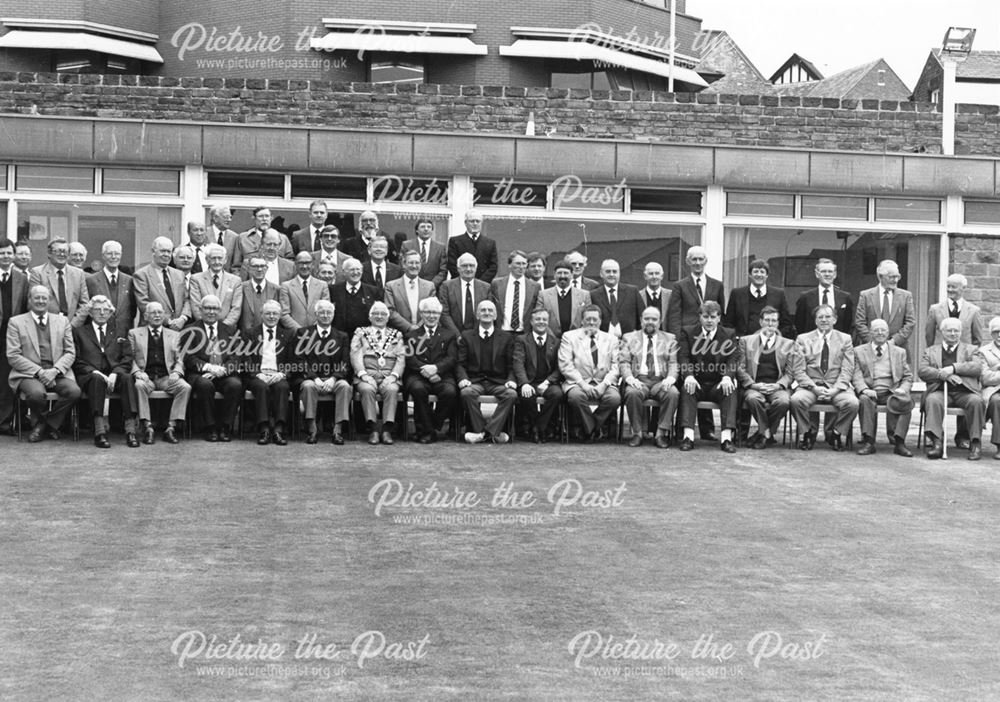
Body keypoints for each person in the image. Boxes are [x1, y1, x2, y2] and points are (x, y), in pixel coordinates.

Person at [6, 285, 81, 442]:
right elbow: (13, 355)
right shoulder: (16, 322)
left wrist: (54, 371)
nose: (41, 301)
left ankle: (45, 425)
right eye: (37, 298)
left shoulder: (62, 321)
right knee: (36, 394)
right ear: (30, 300)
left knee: (74, 391)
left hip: (57, 373)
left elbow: (70, 352)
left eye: (44, 298)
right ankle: (46, 426)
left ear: (49, 301)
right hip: (28, 374)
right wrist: (40, 372)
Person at [667, 246, 725, 440]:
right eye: (694, 260)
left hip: (710, 339)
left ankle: (707, 429)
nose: (698, 263)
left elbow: (721, 315)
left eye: (701, 259)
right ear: (688, 262)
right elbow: (674, 315)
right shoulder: (680, 286)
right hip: (688, 339)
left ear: (706, 261)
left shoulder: (717, 285)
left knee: (707, 378)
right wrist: (678, 340)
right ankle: (682, 430)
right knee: (688, 382)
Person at [73, 295, 139, 449]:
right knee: (97, 380)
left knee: (128, 378)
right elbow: (76, 360)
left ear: (111, 313)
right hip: (91, 376)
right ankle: (100, 431)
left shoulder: (120, 331)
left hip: (115, 374)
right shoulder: (79, 332)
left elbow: (127, 357)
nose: (102, 313)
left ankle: (130, 431)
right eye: (97, 310)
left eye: (106, 310)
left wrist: (115, 372)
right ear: (90, 312)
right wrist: (95, 372)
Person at [790, 304, 858, 451]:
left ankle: (836, 433)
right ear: (815, 321)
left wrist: (836, 389)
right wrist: (814, 388)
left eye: (828, 317)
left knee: (852, 403)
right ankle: (807, 433)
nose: (824, 320)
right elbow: (798, 370)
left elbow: (847, 369)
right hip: (811, 385)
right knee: (796, 400)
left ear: (834, 319)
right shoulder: (803, 339)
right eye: (820, 317)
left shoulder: (845, 339)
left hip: (836, 386)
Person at [918, 317, 986, 460]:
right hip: (940, 390)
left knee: (976, 401)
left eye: (957, 330)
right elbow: (923, 371)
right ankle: (937, 442)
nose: (953, 333)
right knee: (932, 400)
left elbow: (977, 368)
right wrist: (943, 375)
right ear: (942, 332)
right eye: (949, 330)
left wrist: (953, 368)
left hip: (965, 392)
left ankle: (975, 443)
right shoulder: (931, 351)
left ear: (961, 332)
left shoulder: (972, 349)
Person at [677, 300, 739, 453]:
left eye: (713, 317)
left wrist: (727, 377)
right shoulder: (688, 332)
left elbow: (733, 359)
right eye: (706, 316)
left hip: (717, 384)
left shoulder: (728, 334)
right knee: (687, 387)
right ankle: (688, 437)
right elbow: (683, 357)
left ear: (719, 318)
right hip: (697, 382)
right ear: (700, 317)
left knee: (730, 388)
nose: (709, 321)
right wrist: (689, 376)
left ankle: (726, 438)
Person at [737, 306, 801, 450]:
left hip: (776, 386)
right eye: (767, 320)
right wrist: (753, 385)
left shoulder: (788, 343)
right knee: (753, 399)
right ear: (761, 322)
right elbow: (740, 368)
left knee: (784, 401)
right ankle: (766, 433)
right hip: (755, 386)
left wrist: (778, 385)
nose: (770, 324)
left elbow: (790, 372)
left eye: (773, 321)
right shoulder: (745, 341)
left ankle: (762, 433)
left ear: (778, 324)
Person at [181, 295, 242, 443]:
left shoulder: (229, 330)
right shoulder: (190, 329)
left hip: (224, 373)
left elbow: (237, 356)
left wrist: (224, 369)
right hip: (201, 374)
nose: (211, 312)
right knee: (205, 385)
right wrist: (209, 367)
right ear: (200, 310)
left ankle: (226, 427)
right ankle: (210, 427)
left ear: (220, 311)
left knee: (235, 385)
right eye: (207, 308)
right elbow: (188, 358)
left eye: (214, 308)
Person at [129, 301, 191, 445]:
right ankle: (148, 427)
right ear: (145, 316)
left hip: (166, 377)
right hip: (146, 376)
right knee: (139, 386)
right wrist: (137, 372)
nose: (157, 315)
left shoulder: (174, 335)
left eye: (159, 312)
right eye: (153, 313)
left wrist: (177, 372)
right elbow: (129, 358)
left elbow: (180, 359)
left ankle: (171, 428)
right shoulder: (134, 334)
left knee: (184, 387)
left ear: (164, 315)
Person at [558, 304, 621, 443]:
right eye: (588, 319)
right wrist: (582, 384)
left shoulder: (612, 339)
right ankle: (594, 429)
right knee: (575, 397)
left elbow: (616, 366)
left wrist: (604, 385)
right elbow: (566, 365)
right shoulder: (569, 337)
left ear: (600, 321)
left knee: (614, 399)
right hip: (577, 382)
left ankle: (588, 429)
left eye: (595, 319)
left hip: (603, 382)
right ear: (582, 321)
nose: (591, 322)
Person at [457, 300, 517, 443]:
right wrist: (463, 379)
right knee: (466, 392)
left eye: (490, 310)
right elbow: (460, 363)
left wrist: (511, 380)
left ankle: (485, 433)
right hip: (475, 381)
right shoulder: (466, 336)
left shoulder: (506, 338)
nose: (486, 313)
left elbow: (512, 364)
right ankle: (489, 433)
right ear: (477, 315)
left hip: (498, 382)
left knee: (511, 394)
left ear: (495, 316)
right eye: (483, 310)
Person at [852, 318, 914, 457]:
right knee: (864, 400)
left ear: (888, 332)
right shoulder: (859, 351)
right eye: (876, 330)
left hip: (891, 391)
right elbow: (856, 374)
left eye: (883, 330)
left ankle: (899, 442)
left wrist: (903, 389)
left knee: (905, 401)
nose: (880, 333)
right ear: (870, 332)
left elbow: (908, 376)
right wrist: (864, 389)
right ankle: (869, 441)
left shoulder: (899, 352)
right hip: (870, 390)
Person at [293, 299, 352, 445]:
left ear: (333, 315)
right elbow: (299, 361)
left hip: (334, 379)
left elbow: (345, 362)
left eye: (329, 312)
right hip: (311, 379)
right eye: (322, 312)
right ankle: (312, 429)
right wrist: (314, 378)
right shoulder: (303, 333)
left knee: (345, 386)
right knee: (308, 387)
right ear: (316, 314)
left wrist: (333, 379)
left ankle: (337, 430)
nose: (325, 315)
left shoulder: (342, 336)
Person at [619, 306, 679, 449]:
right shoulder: (629, 338)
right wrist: (629, 379)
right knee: (632, 393)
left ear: (660, 321)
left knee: (673, 393)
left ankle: (660, 434)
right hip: (639, 380)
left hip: (660, 380)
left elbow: (673, 363)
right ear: (641, 320)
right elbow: (624, 362)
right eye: (647, 319)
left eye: (654, 319)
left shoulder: (670, 338)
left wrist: (670, 378)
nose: (650, 322)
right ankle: (637, 433)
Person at [403, 297, 459, 444]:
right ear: (421, 314)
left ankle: (431, 426)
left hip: (442, 375)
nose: (431, 316)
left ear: (440, 315)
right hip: (418, 375)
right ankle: (428, 432)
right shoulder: (411, 335)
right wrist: (425, 369)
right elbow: (409, 358)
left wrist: (436, 369)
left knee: (450, 392)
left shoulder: (449, 334)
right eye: (427, 312)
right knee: (417, 389)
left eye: (435, 312)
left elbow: (452, 358)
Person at [351, 301, 405, 445]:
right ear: (370, 317)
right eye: (375, 314)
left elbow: (401, 359)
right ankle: (374, 429)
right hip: (367, 374)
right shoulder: (361, 332)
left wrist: (393, 376)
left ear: (388, 318)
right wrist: (363, 375)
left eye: (383, 314)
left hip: (389, 375)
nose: (379, 317)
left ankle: (387, 429)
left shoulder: (396, 335)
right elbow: (355, 355)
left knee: (392, 389)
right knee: (367, 389)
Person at [244, 299, 293, 446]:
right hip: (256, 375)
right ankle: (264, 429)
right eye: (268, 313)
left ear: (279, 315)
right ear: (261, 314)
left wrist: (282, 374)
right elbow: (245, 358)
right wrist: (257, 374)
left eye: (275, 314)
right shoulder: (250, 333)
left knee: (282, 387)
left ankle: (278, 430)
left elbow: (293, 359)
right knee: (261, 387)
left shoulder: (288, 334)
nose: (271, 316)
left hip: (278, 374)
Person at [513, 308, 564, 443]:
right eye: (538, 319)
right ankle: (541, 428)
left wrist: (547, 382)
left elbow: (559, 368)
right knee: (527, 395)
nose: (541, 322)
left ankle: (537, 428)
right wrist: (524, 383)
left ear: (548, 322)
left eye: (544, 319)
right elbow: (518, 363)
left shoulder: (556, 342)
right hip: (529, 381)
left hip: (548, 383)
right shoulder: (522, 340)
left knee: (557, 394)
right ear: (531, 321)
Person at [0, 240, 29, 434]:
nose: (5, 256)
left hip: (10, 339)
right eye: (1, 253)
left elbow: (25, 309)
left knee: (5, 381)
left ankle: (4, 422)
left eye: (9, 253)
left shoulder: (22, 279)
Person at [29, 237, 91, 327]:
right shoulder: (38, 273)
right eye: (58, 251)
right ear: (49, 253)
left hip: (72, 328)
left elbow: (85, 304)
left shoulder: (78, 274)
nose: (62, 254)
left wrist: (72, 325)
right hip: (46, 327)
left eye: (65, 251)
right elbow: (34, 302)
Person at [725, 259, 795, 338]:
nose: (759, 275)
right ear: (750, 274)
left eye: (762, 272)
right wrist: (735, 338)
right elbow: (728, 322)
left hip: (770, 344)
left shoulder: (779, 294)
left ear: (767, 275)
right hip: (742, 342)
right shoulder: (737, 294)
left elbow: (786, 323)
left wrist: (775, 338)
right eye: (755, 271)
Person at [855, 259, 916, 348]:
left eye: (897, 277)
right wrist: (874, 342)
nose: (895, 280)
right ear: (880, 276)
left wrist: (894, 341)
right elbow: (859, 322)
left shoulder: (906, 296)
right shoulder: (866, 295)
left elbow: (910, 322)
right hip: (870, 349)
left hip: (898, 348)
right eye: (891, 277)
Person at [133, 237, 191, 331]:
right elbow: (144, 304)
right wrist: (168, 321)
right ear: (153, 251)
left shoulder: (179, 274)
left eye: (169, 251)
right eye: (163, 251)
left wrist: (183, 318)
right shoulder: (142, 275)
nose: (166, 255)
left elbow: (187, 299)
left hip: (179, 330)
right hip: (153, 331)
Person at [85, 241, 136, 339]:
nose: (113, 257)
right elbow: (88, 310)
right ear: (103, 256)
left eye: (117, 253)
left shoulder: (129, 280)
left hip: (124, 335)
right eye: (109, 253)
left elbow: (132, 310)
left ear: (121, 255)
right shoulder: (91, 280)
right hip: (99, 336)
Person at [794, 258, 855, 336]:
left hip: (837, 344)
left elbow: (848, 324)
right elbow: (799, 324)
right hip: (812, 344)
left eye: (830, 271)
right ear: (817, 274)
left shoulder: (845, 298)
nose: (827, 274)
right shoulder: (805, 297)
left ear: (835, 274)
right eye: (823, 271)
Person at [189, 244, 242, 328]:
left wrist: (222, 328)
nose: (217, 262)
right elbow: (196, 307)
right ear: (207, 260)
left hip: (227, 329)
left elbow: (236, 308)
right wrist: (207, 326)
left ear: (225, 260)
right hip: (204, 329)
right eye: (213, 258)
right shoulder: (196, 279)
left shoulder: (235, 281)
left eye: (220, 258)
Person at [926, 273, 985, 348]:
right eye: (948, 286)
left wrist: (970, 354)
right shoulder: (935, 309)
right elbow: (929, 337)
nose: (950, 290)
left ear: (963, 288)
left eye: (953, 287)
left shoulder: (974, 311)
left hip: (964, 356)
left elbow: (977, 339)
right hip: (941, 356)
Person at [385, 249, 436, 334]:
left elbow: (431, 310)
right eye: (411, 263)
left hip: (423, 334)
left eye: (417, 263)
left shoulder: (429, 286)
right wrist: (409, 327)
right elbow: (390, 311)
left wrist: (419, 328)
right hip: (399, 334)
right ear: (404, 264)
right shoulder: (391, 286)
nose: (414, 266)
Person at [491, 250, 541, 335]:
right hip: (502, 332)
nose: (521, 267)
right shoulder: (497, 284)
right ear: (509, 265)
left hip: (524, 334)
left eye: (524, 264)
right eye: (518, 263)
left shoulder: (535, 287)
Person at [536, 259, 591, 337]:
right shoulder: (543, 295)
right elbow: (539, 318)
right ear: (554, 275)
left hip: (576, 340)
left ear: (572, 275)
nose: (562, 276)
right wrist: (552, 339)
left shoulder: (584, 295)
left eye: (566, 273)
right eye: (559, 273)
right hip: (551, 341)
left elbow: (587, 318)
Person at [439, 253, 491, 334]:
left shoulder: (486, 288)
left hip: (477, 338)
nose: (468, 269)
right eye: (464, 266)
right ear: (458, 268)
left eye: (471, 265)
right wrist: (457, 335)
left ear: (476, 268)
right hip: (453, 336)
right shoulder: (447, 286)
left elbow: (487, 314)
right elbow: (444, 313)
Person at [330, 257, 383, 338]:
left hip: (366, 338)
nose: (355, 273)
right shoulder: (334, 290)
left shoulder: (373, 291)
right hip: (341, 337)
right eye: (352, 270)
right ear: (344, 272)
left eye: (358, 269)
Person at [589, 259, 641, 339]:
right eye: (608, 271)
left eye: (614, 271)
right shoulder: (593, 295)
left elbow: (641, 317)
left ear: (619, 274)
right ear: (601, 274)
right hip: (603, 342)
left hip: (629, 341)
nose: (611, 274)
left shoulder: (632, 291)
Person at [279, 251, 330, 331]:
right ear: (295, 265)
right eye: (301, 263)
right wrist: (300, 331)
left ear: (313, 265)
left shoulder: (322, 285)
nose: (304, 266)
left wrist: (314, 329)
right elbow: (284, 314)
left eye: (308, 263)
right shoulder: (286, 286)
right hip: (295, 334)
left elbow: (325, 310)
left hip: (316, 334)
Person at [447, 209, 499, 282]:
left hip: (483, 285)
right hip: (460, 284)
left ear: (481, 223)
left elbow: (493, 267)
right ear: (465, 223)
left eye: (477, 221)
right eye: (472, 221)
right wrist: (465, 281)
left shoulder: (490, 243)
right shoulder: (455, 241)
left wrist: (479, 283)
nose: (475, 224)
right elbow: (452, 265)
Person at [238, 256, 282, 339]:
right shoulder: (240, 288)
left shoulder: (276, 289)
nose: (259, 269)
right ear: (248, 269)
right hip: (245, 339)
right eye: (255, 266)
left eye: (262, 266)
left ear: (267, 268)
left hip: (269, 338)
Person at [399, 218, 448, 290]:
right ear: (416, 230)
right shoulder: (407, 245)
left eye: (429, 227)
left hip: (433, 289)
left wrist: (431, 285)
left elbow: (443, 271)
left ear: (432, 230)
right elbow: (402, 267)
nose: (426, 229)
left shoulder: (440, 247)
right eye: (422, 227)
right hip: (411, 287)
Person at [978, 316, 1000, 460]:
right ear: (991, 333)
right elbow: (985, 377)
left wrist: (996, 370)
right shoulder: (984, 352)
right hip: (993, 390)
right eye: (996, 331)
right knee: (997, 401)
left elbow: (991, 374)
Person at [638, 262, 671, 331]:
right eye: (651, 274)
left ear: (662, 276)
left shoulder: (671, 295)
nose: (654, 276)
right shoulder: (638, 296)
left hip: (666, 337)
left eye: (657, 273)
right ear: (645, 276)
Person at [208, 204, 239, 270]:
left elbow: (236, 264)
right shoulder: (204, 235)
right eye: (226, 217)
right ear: (215, 218)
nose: (229, 220)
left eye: (230, 217)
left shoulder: (235, 237)